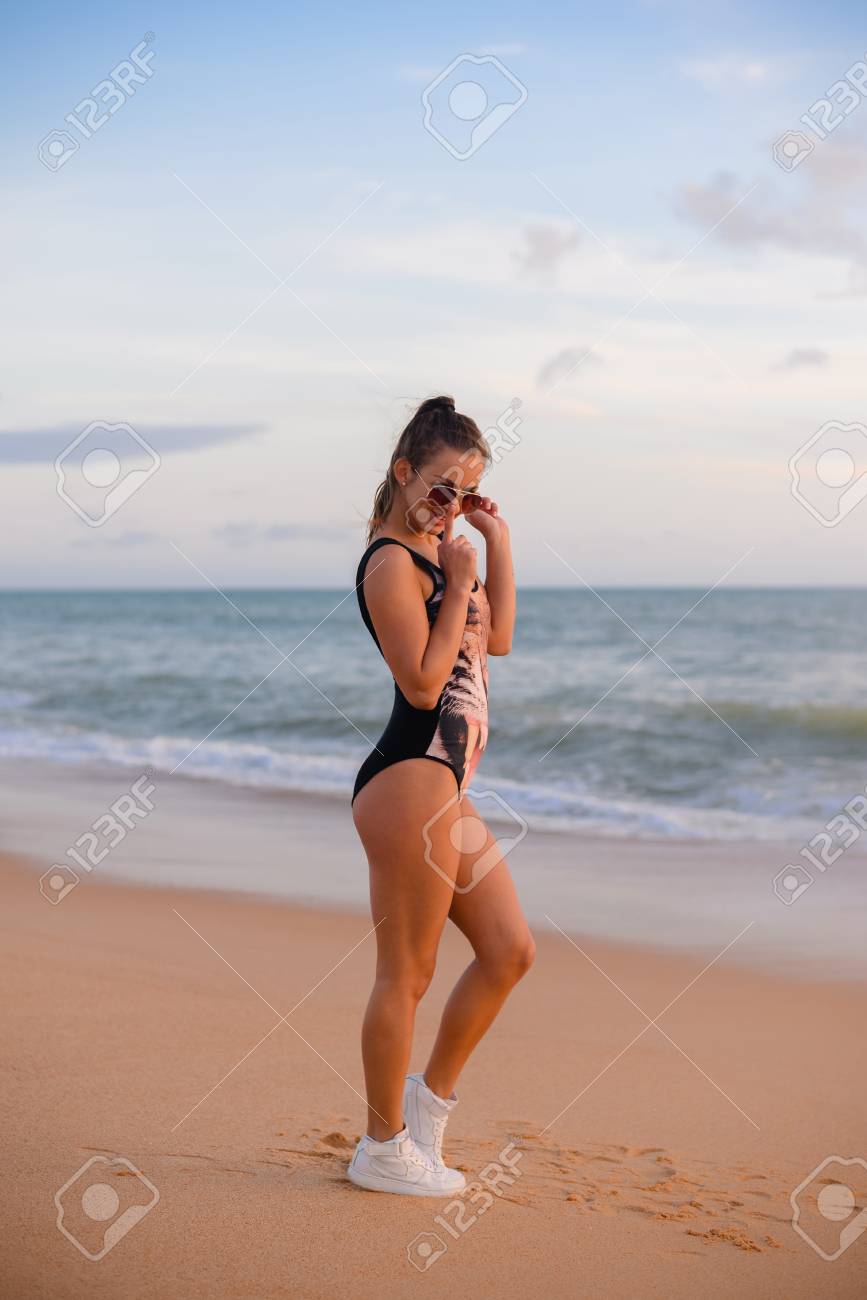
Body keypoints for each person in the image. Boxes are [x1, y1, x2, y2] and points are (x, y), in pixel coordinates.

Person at [346, 395, 535, 1196]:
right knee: (408, 974)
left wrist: (492, 547)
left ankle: (427, 1109)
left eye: (465, 491)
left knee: (508, 950)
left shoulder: (445, 551)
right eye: (440, 486)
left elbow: (496, 641)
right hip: (407, 781)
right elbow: (422, 685)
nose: (448, 503)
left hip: (446, 791)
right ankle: (381, 1148)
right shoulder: (392, 562)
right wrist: (456, 579)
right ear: (402, 473)